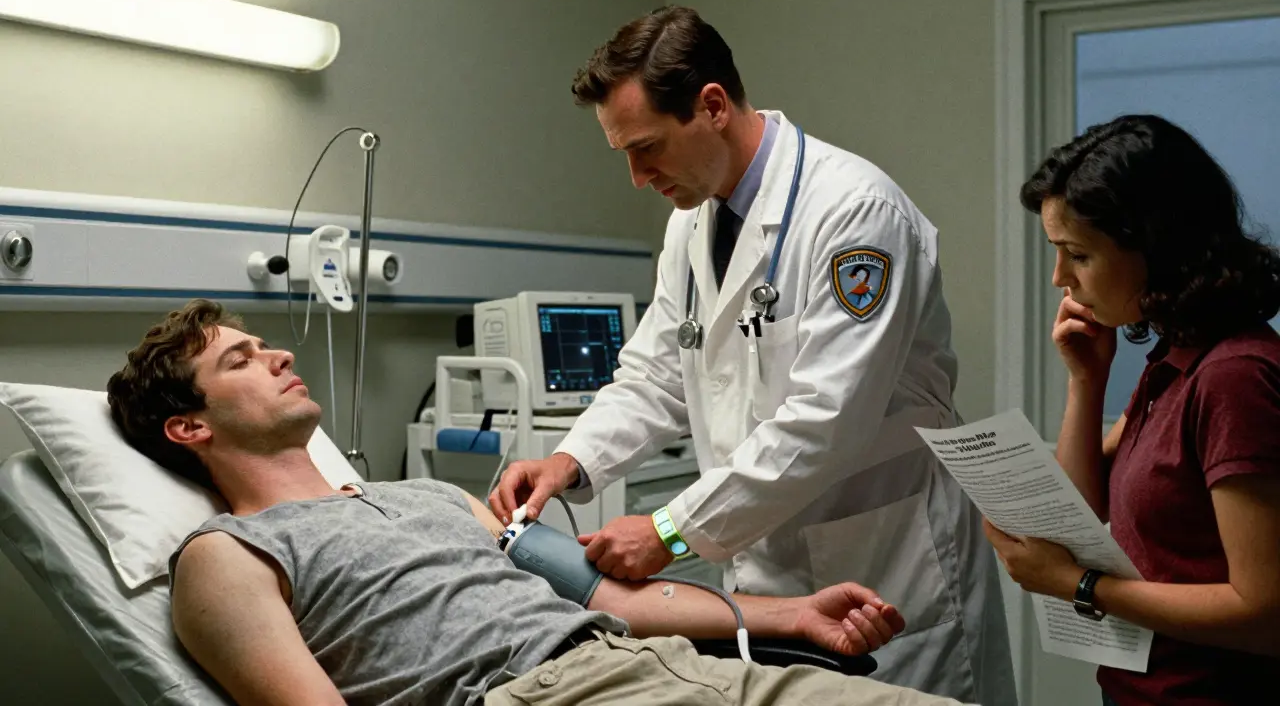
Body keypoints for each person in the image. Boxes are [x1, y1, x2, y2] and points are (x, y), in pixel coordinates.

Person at [489, 5, 1014, 704]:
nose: (638, 178)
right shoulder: (692, 225)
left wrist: (669, 533)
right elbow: (655, 374)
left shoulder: (855, 213)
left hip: (885, 565)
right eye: (624, 155)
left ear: (711, 105)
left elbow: (826, 421)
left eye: (645, 148)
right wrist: (568, 459)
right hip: (769, 579)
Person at [104, 299, 969, 706]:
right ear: (188, 429)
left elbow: (612, 598)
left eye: (264, 344)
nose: (279, 355)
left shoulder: (432, 496)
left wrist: (795, 618)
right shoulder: (226, 557)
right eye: (241, 360)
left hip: (675, 672)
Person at [985, 114, 1280, 705]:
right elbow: (1079, 512)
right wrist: (1086, 382)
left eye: (1078, 255)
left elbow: (1263, 613)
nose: (1059, 278)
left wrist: (1079, 585)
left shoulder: (1233, 377)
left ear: (1155, 247)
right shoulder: (1176, 358)